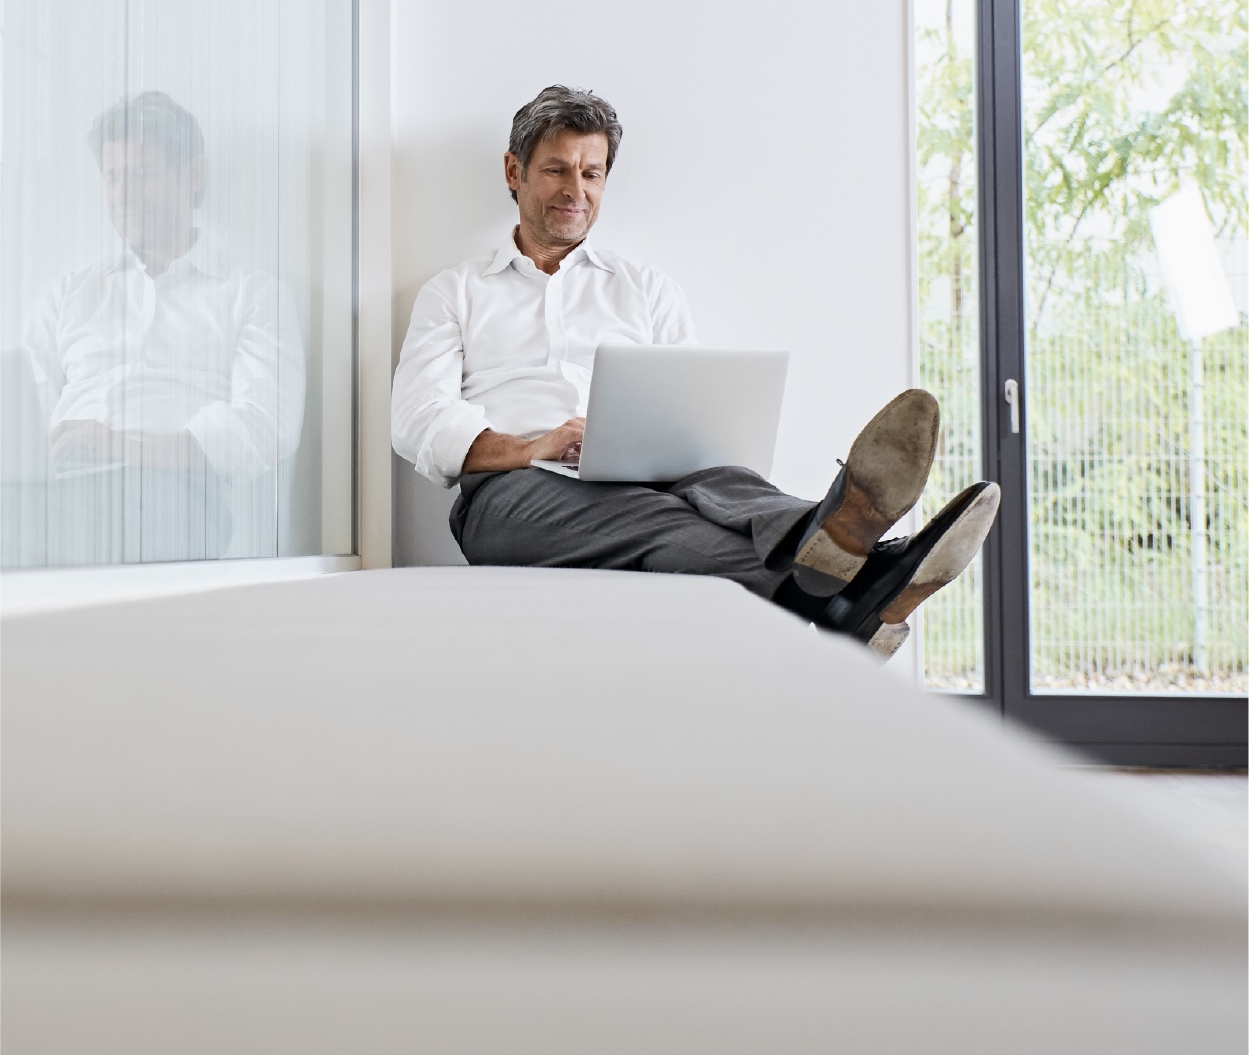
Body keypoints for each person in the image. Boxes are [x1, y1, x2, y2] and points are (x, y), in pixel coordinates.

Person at [391, 84, 998, 657]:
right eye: (556, 170)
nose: (576, 189)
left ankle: (844, 568)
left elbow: (690, 414)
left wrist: (651, 449)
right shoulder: (455, 292)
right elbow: (418, 419)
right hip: (510, 496)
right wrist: (532, 447)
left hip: (641, 481)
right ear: (513, 172)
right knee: (660, 519)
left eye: (592, 173)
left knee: (722, 478)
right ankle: (867, 567)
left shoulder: (645, 289)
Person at [18, 91, 305, 564]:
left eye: (143, 174)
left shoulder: (251, 294)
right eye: (113, 178)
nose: (125, 195)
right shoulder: (67, 295)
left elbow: (266, 425)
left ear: (193, 174)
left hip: (178, 492)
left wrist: (124, 447)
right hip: (61, 483)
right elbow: (24, 415)